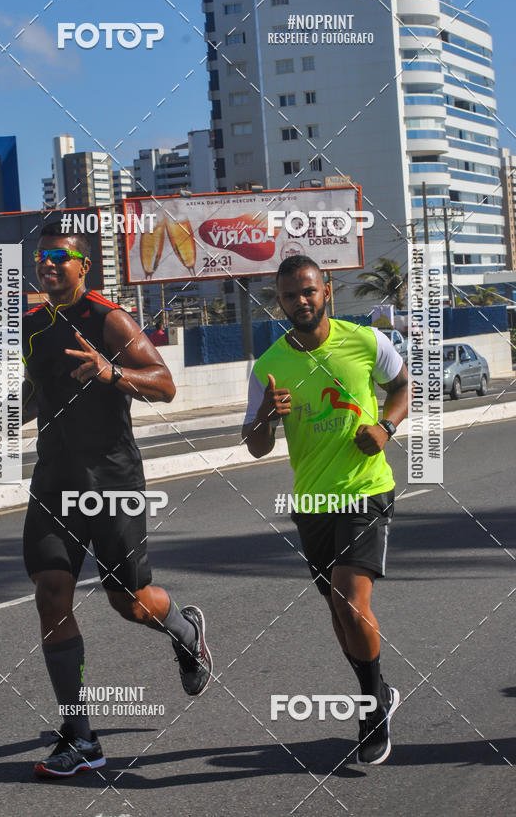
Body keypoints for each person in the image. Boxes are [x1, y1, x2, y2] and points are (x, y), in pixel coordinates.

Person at [21, 222, 212, 779]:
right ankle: (80, 736)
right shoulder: (32, 325)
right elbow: (39, 389)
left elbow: (164, 382)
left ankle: (186, 633)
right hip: (54, 480)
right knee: (51, 593)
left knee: (128, 601)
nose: (48, 264)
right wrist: (9, 416)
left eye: (60, 256)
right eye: (42, 257)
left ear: (84, 266)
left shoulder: (109, 319)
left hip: (111, 481)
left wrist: (112, 372)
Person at [242, 255, 408, 766]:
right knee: (338, 608)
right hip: (313, 500)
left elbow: (403, 386)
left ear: (327, 291)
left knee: (351, 601)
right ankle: (377, 690)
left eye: (308, 291)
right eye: (290, 295)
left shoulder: (366, 341)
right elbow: (255, 446)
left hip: (366, 488)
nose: (301, 301)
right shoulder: (268, 367)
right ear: (279, 302)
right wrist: (266, 417)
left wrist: (386, 428)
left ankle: (372, 708)